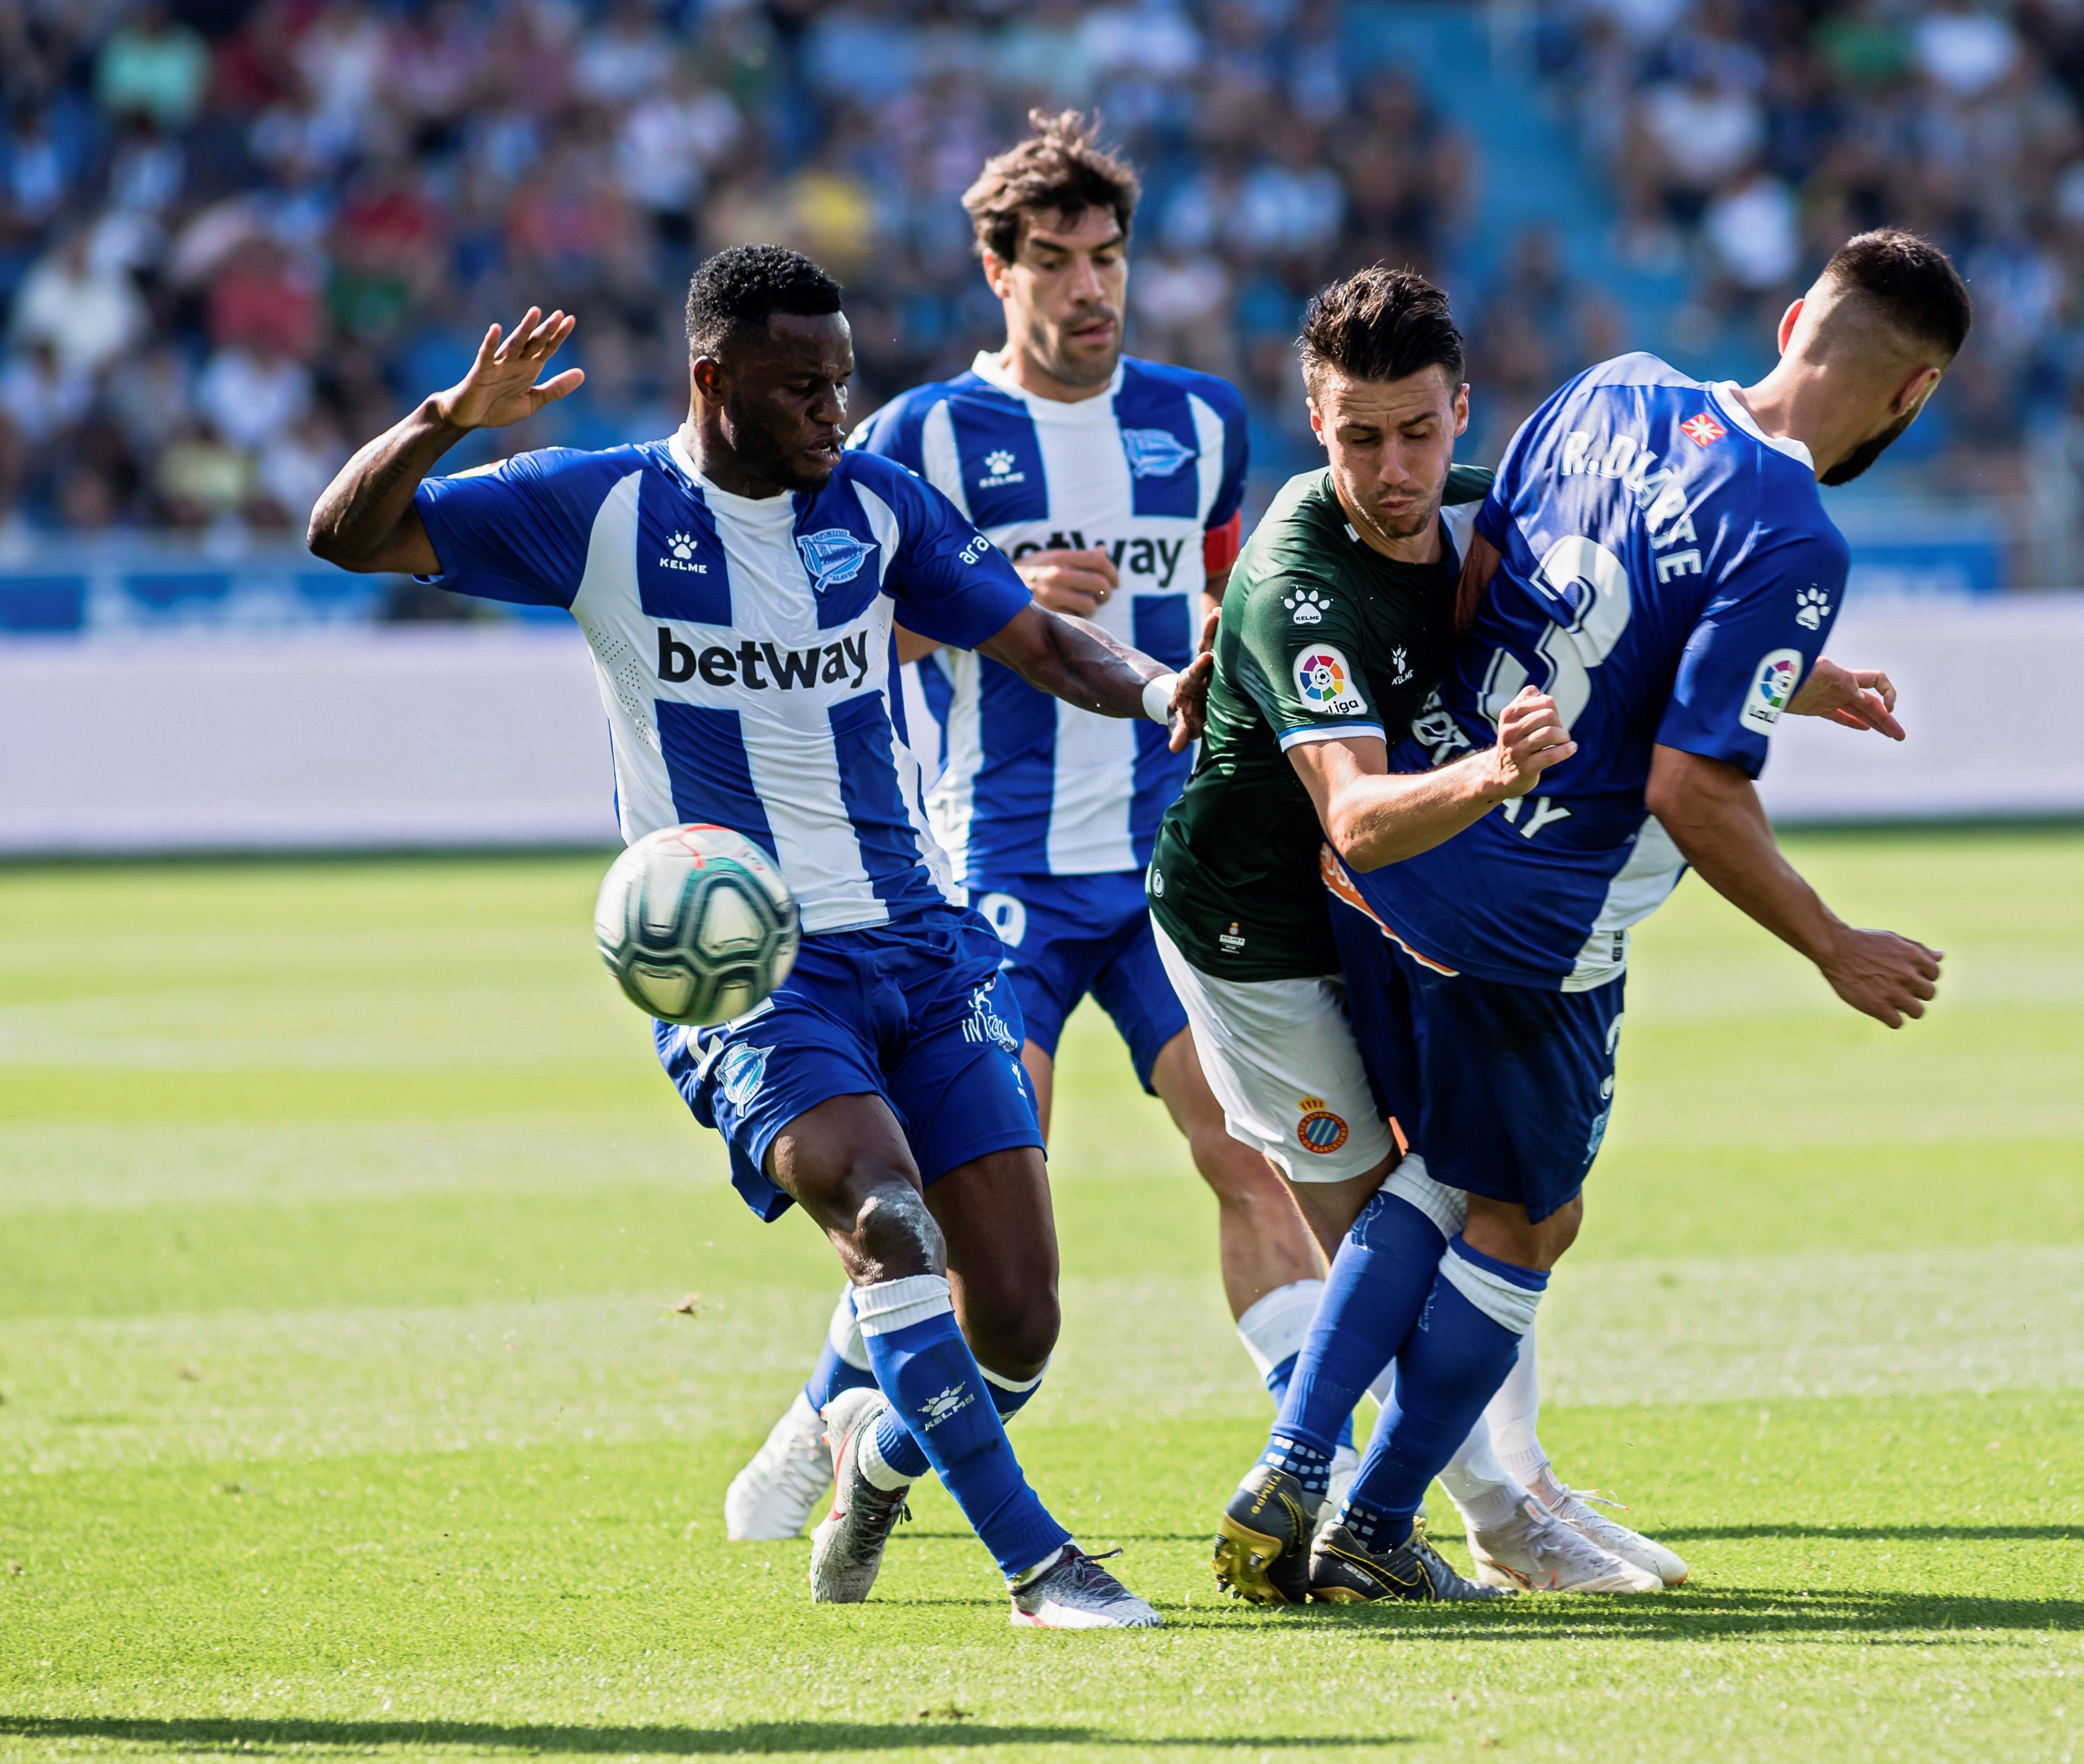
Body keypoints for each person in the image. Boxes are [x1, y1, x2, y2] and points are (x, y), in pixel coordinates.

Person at [304, 243, 1198, 1630]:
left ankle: (877, 1453)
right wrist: (441, 423)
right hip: (753, 972)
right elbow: (345, 537)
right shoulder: (593, 508)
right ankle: (1040, 1568)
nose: (833, 416)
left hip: (919, 941)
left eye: (841, 385)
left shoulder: (878, 506)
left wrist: (1159, 699)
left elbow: (1044, 645)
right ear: (713, 381)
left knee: (1017, 1314)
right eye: (799, 391)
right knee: (888, 1221)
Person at [1216, 229, 1959, 1604]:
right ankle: (1358, 1501)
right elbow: (1694, 788)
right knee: (1521, 1220)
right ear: (1913, 396)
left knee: (1438, 1174)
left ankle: (1310, 1472)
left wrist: (1793, 678)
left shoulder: (1616, 386)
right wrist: (1831, 941)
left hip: (1402, 860)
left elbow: (1501, 583)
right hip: (1538, 924)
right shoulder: (1793, 534)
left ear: (1796, 316)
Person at [717, 114, 1331, 1560]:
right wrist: (994, 595)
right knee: (978, 1196)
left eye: (1106, 256)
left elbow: (1231, 609)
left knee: (1252, 1154)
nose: (1087, 287)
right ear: (998, 272)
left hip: (1175, 868)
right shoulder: (917, 434)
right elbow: (826, 619)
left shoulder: (1197, 423)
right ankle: (828, 1423)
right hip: (991, 877)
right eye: (1052, 260)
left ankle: (1325, 1455)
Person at [1161, 268, 1707, 1599]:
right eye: (1358, 439)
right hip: (1261, 937)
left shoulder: (1483, 513)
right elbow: (1352, 816)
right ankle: (1446, 1514)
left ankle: (1472, 1503)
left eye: (1417, 433)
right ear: (1314, 419)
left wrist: (1802, 683)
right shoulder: (1305, 577)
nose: (1392, 469)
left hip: (1402, 916)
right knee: (1394, 1243)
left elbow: (1629, 622)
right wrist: (1492, 778)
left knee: (1491, 1193)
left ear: (1464, 411)